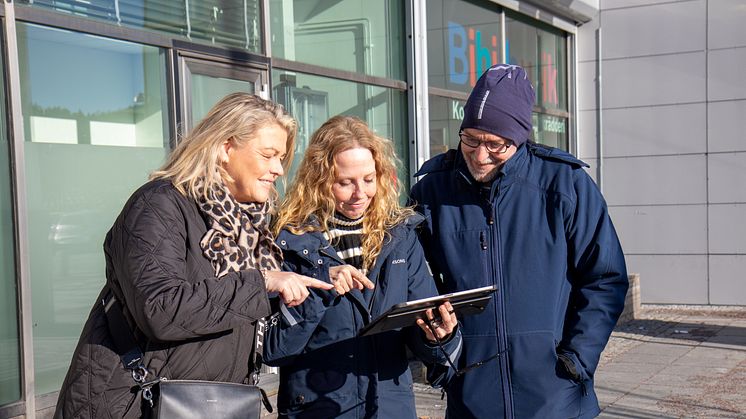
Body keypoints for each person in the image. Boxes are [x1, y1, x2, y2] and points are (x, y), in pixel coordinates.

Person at [54, 93, 333, 419]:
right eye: (268, 155)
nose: (277, 170)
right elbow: (160, 309)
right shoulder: (159, 205)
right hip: (131, 404)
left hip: (209, 402)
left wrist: (313, 286)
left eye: (281, 158)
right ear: (225, 147)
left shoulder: (248, 224)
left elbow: (246, 322)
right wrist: (263, 282)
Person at [410, 64, 629, 418]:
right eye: (470, 139)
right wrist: (440, 350)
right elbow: (412, 285)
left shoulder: (565, 185)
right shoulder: (431, 191)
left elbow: (605, 277)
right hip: (471, 399)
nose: (480, 155)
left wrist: (577, 359)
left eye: (495, 144)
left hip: (557, 399)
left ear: (520, 138)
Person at [263, 115, 462, 418]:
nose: (361, 194)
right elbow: (275, 349)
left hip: (390, 407)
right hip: (318, 409)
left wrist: (437, 336)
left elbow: (422, 330)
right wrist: (320, 285)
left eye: (369, 179)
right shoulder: (289, 240)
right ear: (319, 181)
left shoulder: (400, 235)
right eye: (345, 183)